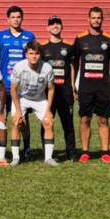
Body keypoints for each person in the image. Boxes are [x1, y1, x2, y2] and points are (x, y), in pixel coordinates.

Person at [73, 7, 110, 164]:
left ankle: (105, 152)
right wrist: (73, 85)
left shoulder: (109, 39)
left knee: (103, 120)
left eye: (98, 18)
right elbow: (74, 64)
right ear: (88, 19)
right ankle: (85, 152)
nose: (96, 20)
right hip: (85, 87)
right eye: (93, 18)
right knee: (85, 119)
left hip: (103, 87)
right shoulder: (80, 39)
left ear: (102, 19)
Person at [0, 6, 36, 160]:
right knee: (1, 117)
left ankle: (26, 149)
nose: (16, 20)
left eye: (18, 17)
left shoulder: (29, 36)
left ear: (22, 18)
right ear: (8, 19)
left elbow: (34, 59)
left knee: (23, 119)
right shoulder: (0, 37)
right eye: (13, 17)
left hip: (22, 86)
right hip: (4, 85)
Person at [9, 42, 57, 167]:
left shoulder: (47, 68)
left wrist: (48, 111)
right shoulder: (19, 67)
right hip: (21, 97)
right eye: (31, 53)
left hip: (39, 98)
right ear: (26, 55)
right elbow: (13, 89)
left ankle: (48, 158)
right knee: (17, 122)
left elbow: (51, 89)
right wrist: (18, 111)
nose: (34, 56)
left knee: (48, 122)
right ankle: (15, 158)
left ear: (40, 55)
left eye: (36, 53)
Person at [41, 15, 78, 162]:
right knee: (46, 122)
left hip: (65, 91)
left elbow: (72, 67)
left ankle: (72, 153)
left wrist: (73, 87)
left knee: (68, 124)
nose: (55, 26)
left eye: (58, 24)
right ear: (48, 28)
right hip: (48, 92)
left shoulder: (69, 47)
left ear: (62, 27)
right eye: (52, 24)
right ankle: (47, 153)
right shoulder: (43, 47)